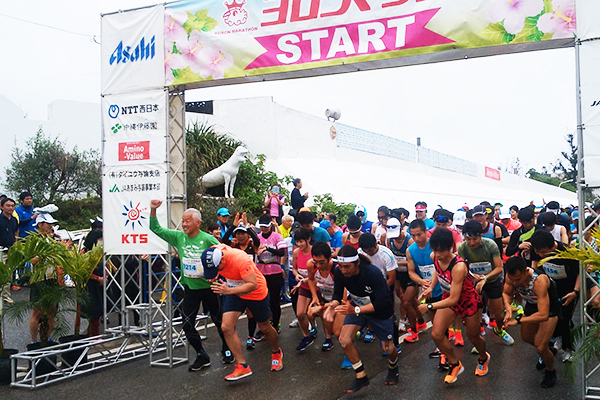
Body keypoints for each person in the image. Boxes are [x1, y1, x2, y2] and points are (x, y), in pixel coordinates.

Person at [149, 200, 233, 370]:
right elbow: (155, 229)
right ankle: (202, 355)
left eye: (188, 221)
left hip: (210, 289)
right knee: (186, 324)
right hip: (190, 289)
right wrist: (152, 210)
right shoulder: (179, 237)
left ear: (198, 223)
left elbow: (227, 254)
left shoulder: (208, 238)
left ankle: (227, 349)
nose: (184, 224)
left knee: (219, 322)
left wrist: (218, 274)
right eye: (183, 221)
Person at [323, 245, 399, 393]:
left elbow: (383, 302)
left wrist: (356, 309)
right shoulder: (339, 272)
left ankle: (393, 367)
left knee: (388, 348)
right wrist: (332, 306)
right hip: (357, 308)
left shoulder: (373, 273)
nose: (344, 270)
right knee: (344, 340)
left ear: (357, 263)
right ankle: (361, 376)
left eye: (347, 267)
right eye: (341, 266)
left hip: (380, 311)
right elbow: (337, 294)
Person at [201, 245, 283, 380]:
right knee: (226, 327)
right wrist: (215, 274)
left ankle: (276, 352)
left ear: (222, 260)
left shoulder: (240, 259)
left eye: (217, 268)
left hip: (255, 293)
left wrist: (229, 291)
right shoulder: (213, 251)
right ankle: (242, 366)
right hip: (234, 292)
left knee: (264, 327)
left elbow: (253, 284)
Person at [418, 229, 488, 384]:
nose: (437, 254)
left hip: (467, 301)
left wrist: (429, 306)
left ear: (450, 247)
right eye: (435, 250)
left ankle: (483, 357)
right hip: (448, 298)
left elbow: (454, 300)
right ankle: (455, 363)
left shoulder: (459, 267)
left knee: (473, 336)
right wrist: (430, 287)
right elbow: (438, 271)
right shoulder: (434, 256)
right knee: (436, 334)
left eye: (441, 251)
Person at [503, 256, 560, 388]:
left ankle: (550, 370)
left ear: (526, 271)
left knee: (540, 346)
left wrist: (518, 320)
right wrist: (507, 306)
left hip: (549, 309)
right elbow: (506, 293)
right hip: (531, 304)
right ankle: (548, 350)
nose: (515, 283)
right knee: (526, 338)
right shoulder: (511, 276)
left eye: (518, 279)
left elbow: (543, 315)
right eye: (513, 280)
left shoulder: (539, 281)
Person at [458, 221, 514, 345]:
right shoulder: (462, 247)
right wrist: (472, 276)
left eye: (475, 239)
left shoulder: (490, 245)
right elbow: (461, 267)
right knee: (475, 316)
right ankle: (478, 341)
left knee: (499, 315)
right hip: (474, 282)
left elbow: (499, 268)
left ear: (481, 236)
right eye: (468, 239)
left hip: (492, 280)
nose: (472, 243)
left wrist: (485, 278)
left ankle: (499, 330)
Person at [530, 229, 579, 362]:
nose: (541, 255)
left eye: (544, 252)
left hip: (568, 290)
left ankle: (569, 348)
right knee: (551, 317)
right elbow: (534, 264)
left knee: (565, 318)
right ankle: (557, 339)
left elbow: (580, 272)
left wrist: (575, 292)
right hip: (549, 288)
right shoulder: (536, 250)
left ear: (553, 246)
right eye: (538, 252)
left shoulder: (568, 252)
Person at [406, 219, 441, 345]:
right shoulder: (410, 250)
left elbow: (442, 269)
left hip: (442, 288)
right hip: (427, 288)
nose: (416, 238)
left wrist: (432, 285)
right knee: (434, 320)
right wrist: (421, 281)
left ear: (426, 231)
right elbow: (411, 272)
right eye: (413, 235)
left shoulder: (436, 246)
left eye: (419, 234)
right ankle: (440, 348)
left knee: (443, 321)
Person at [358, 233, 396, 344]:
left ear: (376, 244)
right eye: (366, 251)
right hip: (367, 285)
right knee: (368, 309)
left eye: (370, 250)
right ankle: (370, 329)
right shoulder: (360, 254)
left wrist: (380, 293)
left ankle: (389, 337)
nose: (368, 253)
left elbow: (392, 278)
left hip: (384, 284)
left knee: (385, 311)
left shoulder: (386, 254)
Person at [255, 215, 287, 335]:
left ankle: (276, 324)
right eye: (262, 227)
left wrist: (267, 248)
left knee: (274, 300)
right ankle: (263, 326)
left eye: (266, 227)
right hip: (260, 271)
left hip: (274, 270)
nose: (264, 229)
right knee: (262, 300)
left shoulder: (277, 236)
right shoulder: (257, 237)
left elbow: (282, 252)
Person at [306, 241, 340, 351]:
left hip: (338, 298)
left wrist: (322, 307)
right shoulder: (311, 265)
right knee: (323, 317)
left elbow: (341, 298)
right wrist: (314, 296)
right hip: (324, 295)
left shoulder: (337, 269)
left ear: (330, 257)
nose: (318, 265)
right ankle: (328, 339)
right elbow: (311, 279)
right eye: (315, 261)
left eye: (322, 262)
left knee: (336, 329)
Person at [292, 228, 317, 351]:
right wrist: (297, 275)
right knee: (300, 313)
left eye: (301, 241)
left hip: (317, 287)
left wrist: (305, 280)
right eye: (297, 241)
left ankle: (327, 338)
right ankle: (306, 336)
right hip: (304, 287)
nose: (299, 244)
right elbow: (294, 269)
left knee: (320, 314)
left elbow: (318, 272)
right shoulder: (296, 252)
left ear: (308, 239)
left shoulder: (315, 252)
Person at [0, 197, 18, 305]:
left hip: (10, 250)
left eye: (12, 206)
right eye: (8, 205)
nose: (10, 208)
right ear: (2, 207)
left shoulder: (14, 219)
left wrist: (16, 243)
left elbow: (16, 231)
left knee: (8, 275)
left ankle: (6, 296)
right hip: (1, 250)